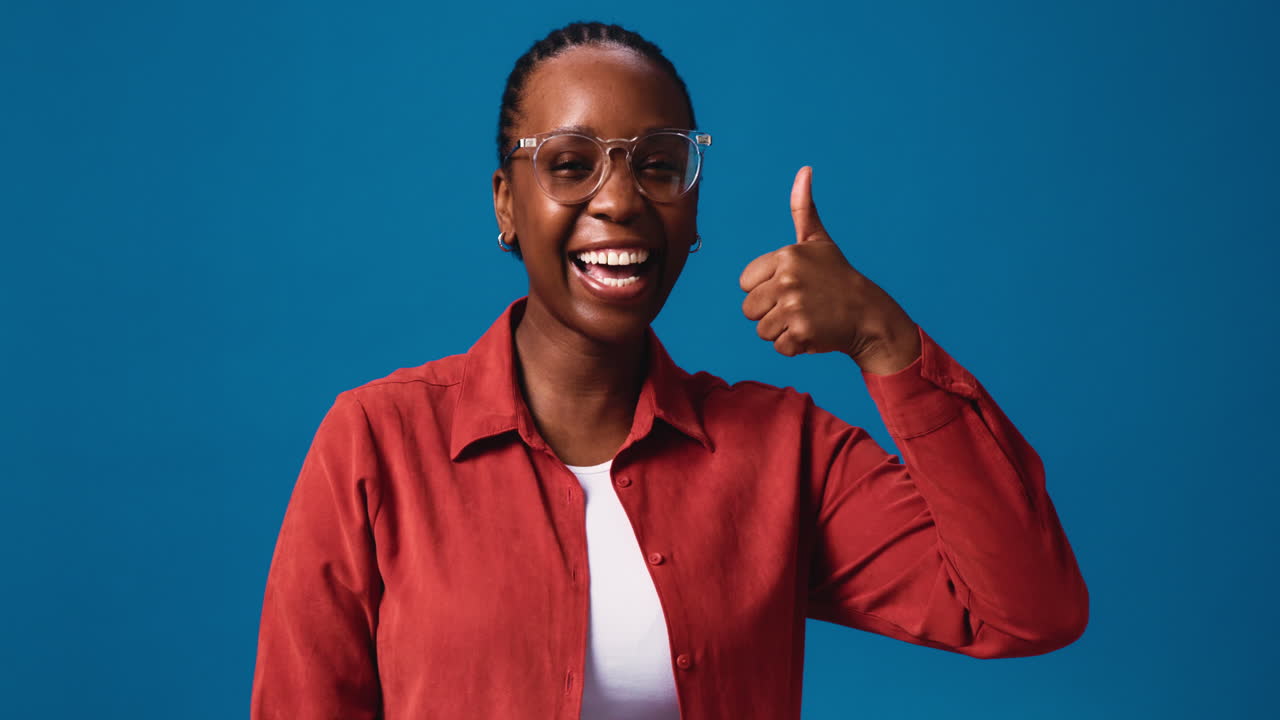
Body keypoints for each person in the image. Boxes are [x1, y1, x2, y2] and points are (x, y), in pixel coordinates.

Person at [250, 20, 1088, 720]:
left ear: (691, 207)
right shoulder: (375, 442)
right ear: (506, 202)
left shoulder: (783, 452)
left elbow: (1027, 610)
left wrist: (884, 338)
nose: (620, 200)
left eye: (657, 164)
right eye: (570, 163)